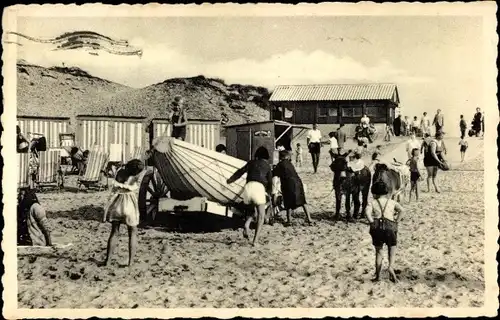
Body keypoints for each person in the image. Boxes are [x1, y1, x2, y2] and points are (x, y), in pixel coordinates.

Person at [227, 146, 272, 246]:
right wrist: (269, 194)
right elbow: (270, 182)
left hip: (247, 188)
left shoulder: (251, 162)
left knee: (253, 211)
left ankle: (246, 225)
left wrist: (230, 180)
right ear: (266, 157)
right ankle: (255, 241)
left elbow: (240, 172)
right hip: (259, 188)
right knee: (261, 216)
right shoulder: (267, 166)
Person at [102, 159, 145, 266]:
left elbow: (114, 185)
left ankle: (108, 261)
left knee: (114, 232)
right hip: (129, 203)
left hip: (117, 203)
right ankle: (130, 262)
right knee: (132, 232)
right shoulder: (135, 177)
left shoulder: (120, 172)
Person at [365, 181, 404, 283]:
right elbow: (402, 210)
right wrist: (397, 221)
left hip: (377, 227)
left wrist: (372, 222)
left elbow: (367, 212)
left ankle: (378, 276)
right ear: (386, 192)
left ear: (374, 193)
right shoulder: (391, 202)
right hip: (390, 227)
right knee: (392, 248)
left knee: (379, 251)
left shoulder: (372, 203)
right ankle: (390, 267)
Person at [272, 150, 312, 225]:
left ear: (280, 157)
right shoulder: (290, 164)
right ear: (287, 156)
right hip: (298, 183)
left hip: (288, 184)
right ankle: (309, 219)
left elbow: (274, 174)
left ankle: (289, 221)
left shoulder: (280, 164)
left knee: (288, 203)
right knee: (303, 202)